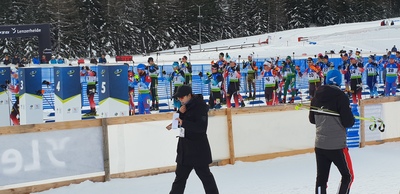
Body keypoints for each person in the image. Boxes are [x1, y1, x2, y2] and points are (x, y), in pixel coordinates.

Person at [166, 85, 219, 194]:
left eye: (182, 97)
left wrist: (183, 122)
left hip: (197, 150)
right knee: (179, 179)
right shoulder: (184, 107)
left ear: (189, 95)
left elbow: (201, 128)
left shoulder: (200, 107)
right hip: (184, 151)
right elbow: (182, 122)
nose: (180, 100)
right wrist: (177, 119)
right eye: (178, 98)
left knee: (206, 177)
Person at [309, 69, 355, 194]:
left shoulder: (316, 95)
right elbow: (348, 122)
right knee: (348, 176)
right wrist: (350, 114)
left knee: (321, 179)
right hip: (337, 146)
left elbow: (312, 119)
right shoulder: (341, 96)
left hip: (320, 145)